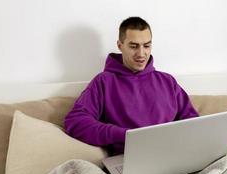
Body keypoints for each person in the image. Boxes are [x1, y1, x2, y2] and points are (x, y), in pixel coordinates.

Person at [64, 17, 199, 156]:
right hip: (130, 158)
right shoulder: (104, 82)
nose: (141, 54)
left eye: (146, 46)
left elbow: (192, 120)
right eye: (134, 46)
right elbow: (75, 121)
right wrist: (124, 135)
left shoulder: (167, 81)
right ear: (120, 45)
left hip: (171, 155)